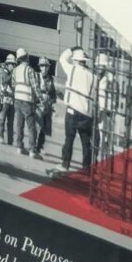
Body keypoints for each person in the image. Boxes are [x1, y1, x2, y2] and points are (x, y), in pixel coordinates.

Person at [47, 47, 96, 176]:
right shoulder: (93, 77)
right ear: (84, 61)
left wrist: (72, 48)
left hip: (72, 111)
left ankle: (65, 164)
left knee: (69, 138)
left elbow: (62, 58)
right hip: (86, 114)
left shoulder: (72, 69)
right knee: (86, 142)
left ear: (75, 61)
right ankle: (87, 168)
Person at [12, 47, 38, 156]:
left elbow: (13, 85)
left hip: (17, 99)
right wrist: (40, 99)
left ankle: (19, 146)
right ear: (26, 57)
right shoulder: (30, 70)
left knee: (19, 124)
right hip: (27, 100)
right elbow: (35, 87)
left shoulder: (15, 70)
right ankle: (32, 150)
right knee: (31, 126)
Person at [33, 57, 57, 159]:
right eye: (43, 66)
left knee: (44, 128)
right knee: (37, 127)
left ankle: (39, 146)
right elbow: (34, 90)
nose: (45, 68)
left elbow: (53, 92)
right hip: (38, 105)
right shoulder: (37, 77)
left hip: (47, 105)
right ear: (40, 67)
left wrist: (52, 102)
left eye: (46, 66)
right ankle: (33, 146)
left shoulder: (51, 79)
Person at [0, 53, 17, 145]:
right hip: (5, 98)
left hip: (12, 99)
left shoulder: (13, 75)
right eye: (12, 64)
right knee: (2, 119)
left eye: (14, 64)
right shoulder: (5, 72)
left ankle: (10, 139)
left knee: (11, 121)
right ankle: (1, 136)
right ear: (8, 64)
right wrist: (13, 74)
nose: (13, 66)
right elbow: (5, 80)